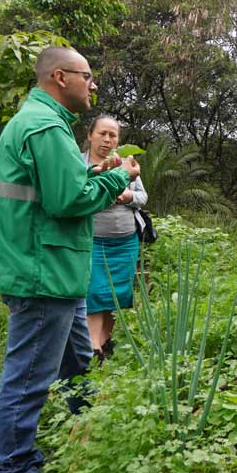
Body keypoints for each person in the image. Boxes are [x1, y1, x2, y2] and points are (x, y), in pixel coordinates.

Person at [0, 46, 141, 473]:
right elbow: (67, 201)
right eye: (86, 76)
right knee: (30, 374)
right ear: (59, 76)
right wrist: (115, 181)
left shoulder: (40, 122)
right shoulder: (46, 126)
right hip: (41, 272)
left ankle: (90, 431)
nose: (92, 86)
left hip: (56, 270)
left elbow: (57, 185)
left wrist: (95, 173)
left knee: (76, 361)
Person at [81, 114, 148, 358]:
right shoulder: (79, 164)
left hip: (124, 242)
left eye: (113, 135)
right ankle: (92, 348)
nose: (107, 140)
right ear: (90, 136)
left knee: (114, 295)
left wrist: (128, 197)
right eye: (102, 134)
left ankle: (105, 343)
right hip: (92, 241)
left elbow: (142, 197)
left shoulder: (126, 163)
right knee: (94, 292)